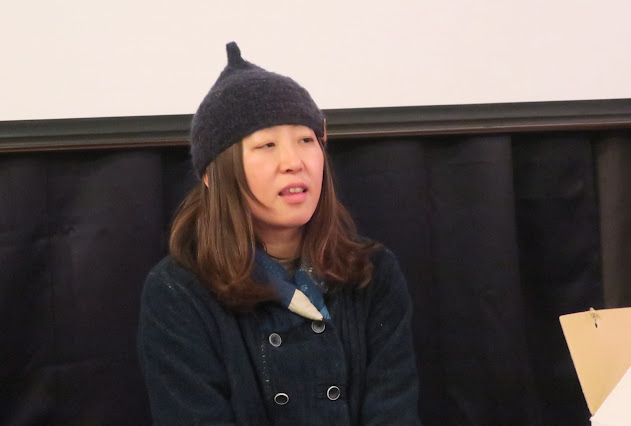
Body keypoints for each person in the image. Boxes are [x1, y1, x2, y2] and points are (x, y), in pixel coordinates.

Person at [137, 41, 421, 425]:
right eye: (267, 145)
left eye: (306, 140)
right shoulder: (178, 291)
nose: (293, 162)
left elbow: (394, 413)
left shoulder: (373, 272)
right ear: (213, 175)